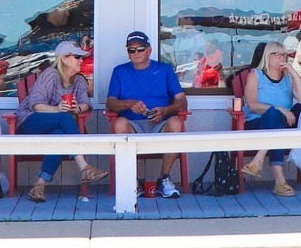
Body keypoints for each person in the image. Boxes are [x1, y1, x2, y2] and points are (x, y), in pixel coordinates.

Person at [13, 41, 108, 203]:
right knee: (64, 117)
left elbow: (87, 103)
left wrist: (77, 108)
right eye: (77, 57)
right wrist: (58, 109)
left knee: (60, 135)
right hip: (30, 121)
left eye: (82, 58)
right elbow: (35, 104)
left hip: (54, 127)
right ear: (64, 59)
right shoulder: (50, 74)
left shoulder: (79, 81)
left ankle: (39, 185)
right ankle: (84, 167)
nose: (81, 61)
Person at [104, 30, 186, 197]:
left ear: (149, 50)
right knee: (119, 123)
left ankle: (164, 179)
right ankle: (136, 180)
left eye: (140, 49)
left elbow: (182, 101)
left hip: (160, 122)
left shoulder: (164, 70)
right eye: (131, 50)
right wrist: (128, 103)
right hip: (132, 124)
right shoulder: (120, 71)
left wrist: (166, 110)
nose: (136, 53)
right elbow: (110, 103)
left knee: (177, 122)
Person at [239, 42, 301, 197]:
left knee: (284, 119)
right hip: (256, 123)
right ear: (267, 56)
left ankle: (258, 160)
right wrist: (279, 109)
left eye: (284, 54)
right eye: (277, 54)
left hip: (281, 125)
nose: (281, 57)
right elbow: (252, 105)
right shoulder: (255, 75)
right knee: (273, 114)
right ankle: (280, 181)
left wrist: (294, 73)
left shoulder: (288, 79)